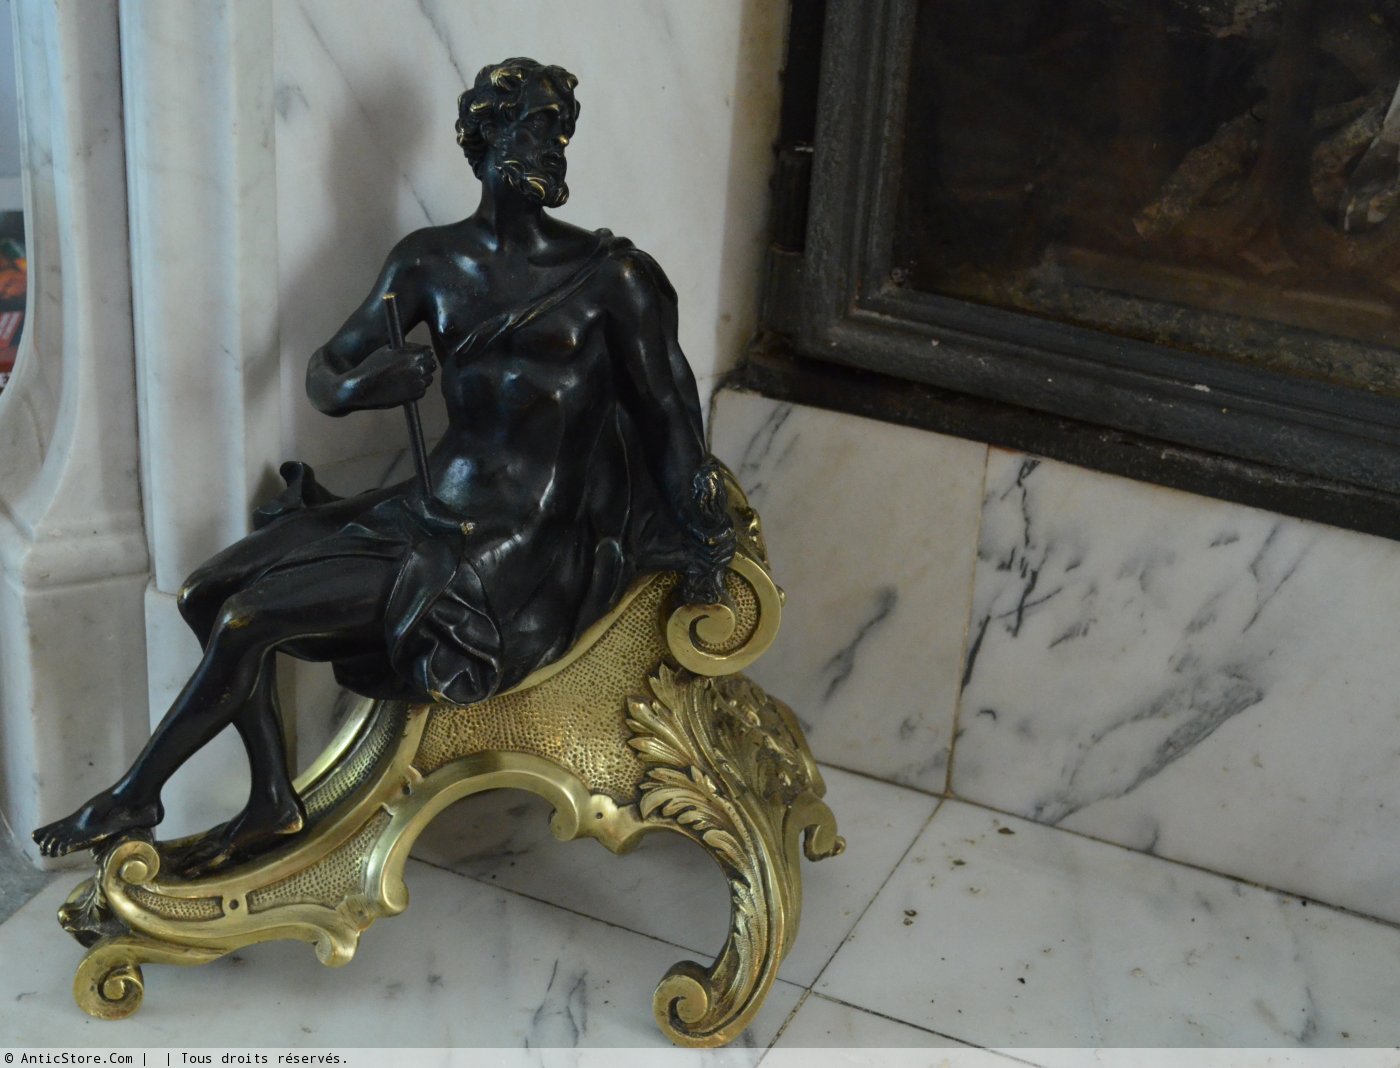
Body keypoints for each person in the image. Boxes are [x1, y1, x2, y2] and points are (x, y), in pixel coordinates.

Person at [34, 57, 735, 870]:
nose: (555, 146)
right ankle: (270, 800)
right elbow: (327, 372)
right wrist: (367, 385)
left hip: (515, 548)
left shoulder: (613, 279)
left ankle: (135, 796)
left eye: (561, 131)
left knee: (248, 621)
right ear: (487, 136)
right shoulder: (428, 264)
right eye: (539, 126)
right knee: (205, 593)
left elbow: (671, 419)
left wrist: (708, 540)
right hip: (425, 510)